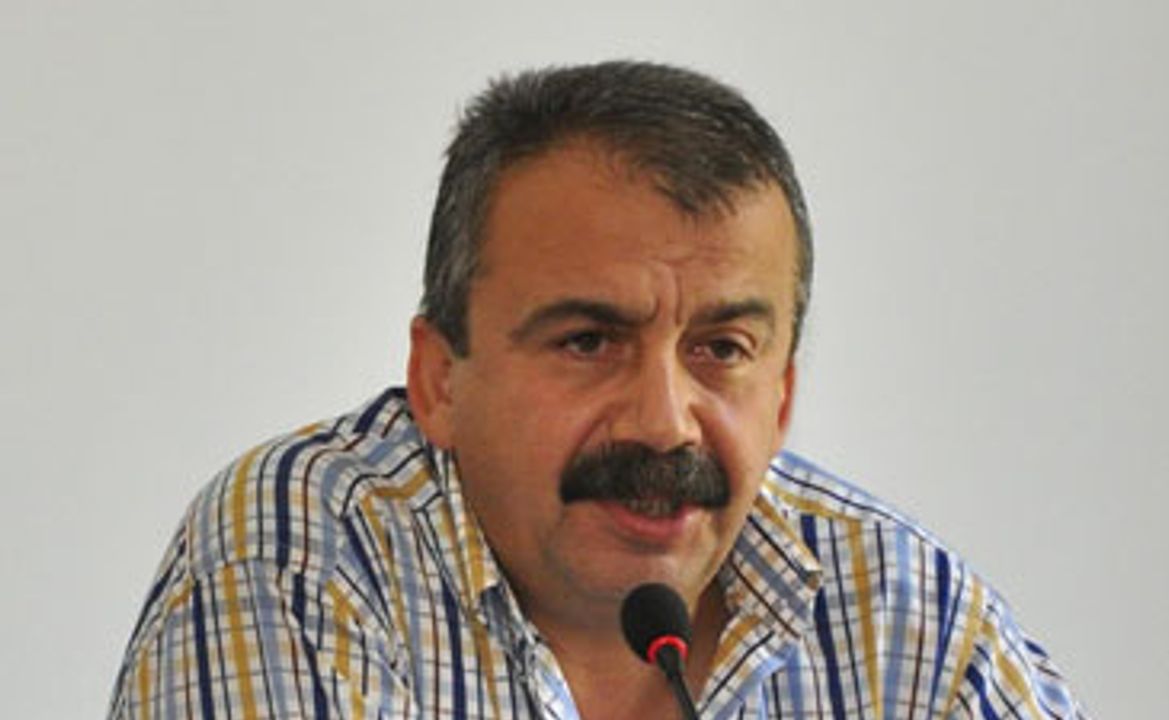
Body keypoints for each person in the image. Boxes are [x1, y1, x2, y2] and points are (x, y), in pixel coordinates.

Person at [109, 61, 1087, 719]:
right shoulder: (299, 561)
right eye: (588, 342)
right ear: (438, 380)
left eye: (721, 350)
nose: (664, 424)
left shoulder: (912, 621)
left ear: (783, 398)